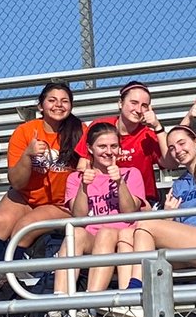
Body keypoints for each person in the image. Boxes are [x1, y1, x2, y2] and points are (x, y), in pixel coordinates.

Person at [116, 126, 196, 317]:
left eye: (182, 143)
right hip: (188, 246)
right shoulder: (180, 184)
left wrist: (177, 223)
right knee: (125, 236)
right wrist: (170, 216)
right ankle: (125, 303)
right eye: (172, 148)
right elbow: (172, 228)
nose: (177, 151)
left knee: (147, 225)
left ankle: (137, 295)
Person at [0, 82, 84, 275]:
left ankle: (7, 281)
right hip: (26, 195)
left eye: (64, 101)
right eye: (52, 100)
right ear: (40, 106)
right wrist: (28, 155)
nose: (58, 105)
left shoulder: (80, 131)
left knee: (25, 227)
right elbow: (16, 182)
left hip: (61, 203)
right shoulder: (25, 131)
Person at [54, 121, 145, 300]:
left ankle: (91, 301)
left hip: (123, 237)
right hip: (91, 238)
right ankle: (58, 302)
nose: (108, 151)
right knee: (76, 233)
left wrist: (120, 183)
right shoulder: (76, 178)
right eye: (102, 146)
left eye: (113, 146)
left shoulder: (131, 173)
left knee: (106, 233)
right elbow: (78, 215)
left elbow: (129, 212)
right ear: (90, 149)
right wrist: (84, 187)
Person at [75, 81, 169, 205]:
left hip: (142, 200)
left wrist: (157, 127)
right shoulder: (100, 126)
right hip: (103, 199)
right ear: (120, 103)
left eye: (144, 105)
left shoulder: (148, 135)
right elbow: (82, 166)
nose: (138, 110)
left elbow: (170, 164)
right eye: (134, 103)